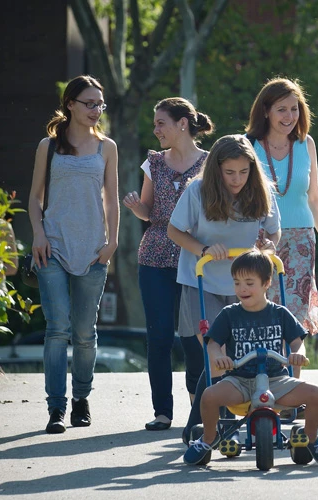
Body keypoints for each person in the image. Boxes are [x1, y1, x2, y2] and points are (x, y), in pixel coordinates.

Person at [167, 134, 280, 443]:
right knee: (216, 352)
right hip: (202, 280)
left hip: (241, 283)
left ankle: (207, 426)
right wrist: (203, 249)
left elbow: (274, 232)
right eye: (229, 172)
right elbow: (174, 230)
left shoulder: (261, 190)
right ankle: (210, 425)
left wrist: (268, 246)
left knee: (231, 356)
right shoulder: (197, 190)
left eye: (243, 171)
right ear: (216, 169)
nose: (237, 179)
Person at [28, 75, 119, 434]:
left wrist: (112, 242)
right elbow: (35, 197)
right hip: (52, 247)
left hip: (94, 250)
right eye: (89, 103)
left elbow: (111, 201)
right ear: (70, 104)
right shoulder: (48, 146)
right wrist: (38, 233)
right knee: (57, 329)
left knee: (84, 333)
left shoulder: (107, 147)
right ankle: (56, 408)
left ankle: (81, 399)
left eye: (100, 104)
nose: (96, 110)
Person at [182, 249, 318, 467]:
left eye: (249, 283)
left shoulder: (280, 313)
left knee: (316, 395)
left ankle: (312, 437)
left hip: (276, 380)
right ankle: (208, 438)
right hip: (239, 381)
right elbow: (212, 343)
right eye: (237, 283)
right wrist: (218, 357)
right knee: (209, 396)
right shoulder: (229, 314)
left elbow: (297, 342)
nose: (242, 289)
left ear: (266, 283)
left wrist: (298, 354)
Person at [122, 97, 213, 431]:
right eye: (155, 124)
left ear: (182, 124)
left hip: (195, 260)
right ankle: (162, 412)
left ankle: (198, 408)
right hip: (154, 258)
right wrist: (138, 209)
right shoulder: (154, 163)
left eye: (161, 123)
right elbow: (149, 212)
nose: (156, 130)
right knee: (159, 337)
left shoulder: (211, 163)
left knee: (193, 338)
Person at [246, 78, 318, 350]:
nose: (289, 116)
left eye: (295, 109)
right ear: (266, 110)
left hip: (301, 243)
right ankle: (263, 373)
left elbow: (315, 198)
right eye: (282, 109)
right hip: (259, 241)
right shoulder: (247, 145)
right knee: (260, 316)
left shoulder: (307, 144)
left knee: (293, 322)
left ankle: (292, 377)